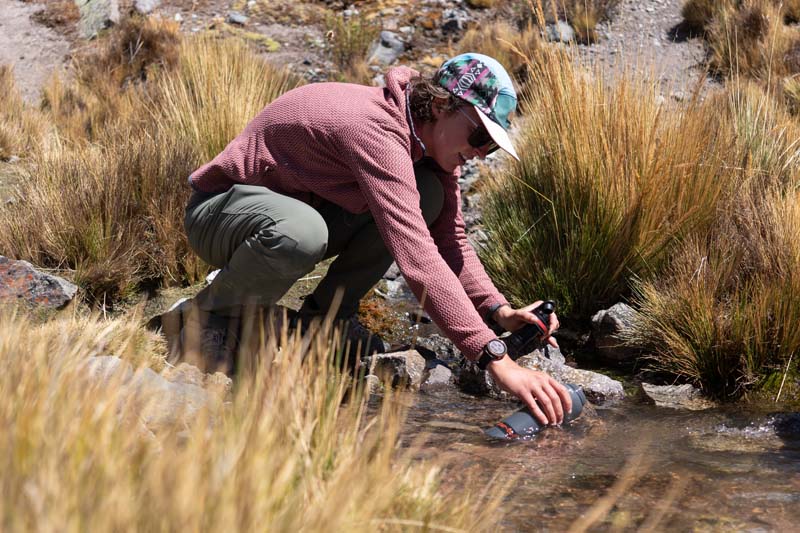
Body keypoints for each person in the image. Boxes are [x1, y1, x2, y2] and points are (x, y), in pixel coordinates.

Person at [172, 52, 572, 426]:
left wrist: (499, 312)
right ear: (440, 107)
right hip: (220, 214)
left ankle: (322, 324)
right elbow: (416, 256)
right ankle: (208, 316)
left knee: (426, 195)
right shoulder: (375, 130)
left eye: (490, 145)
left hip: (290, 213)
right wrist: (493, 356)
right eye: (479, 136)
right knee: (302, 233)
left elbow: (450, 240)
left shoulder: (427, 146)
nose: (481, 153)